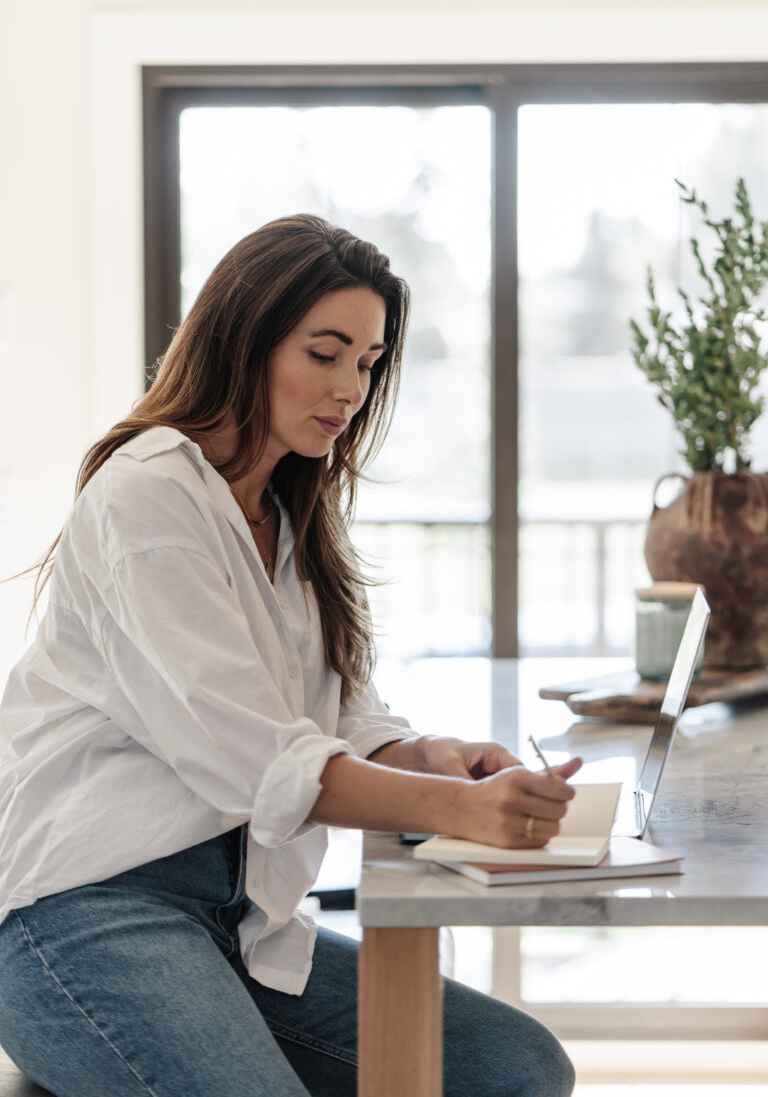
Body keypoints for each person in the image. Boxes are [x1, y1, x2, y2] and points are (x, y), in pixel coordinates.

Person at [0, 215, 580, 1097]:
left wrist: (433, 762)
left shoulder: (288, 514)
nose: (350, 386)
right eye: (326, 351)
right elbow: (254, 756)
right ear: (246, 337)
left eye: (368, 361)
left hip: (237, 922)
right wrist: (459, 813)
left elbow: (341, 716)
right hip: (83, 910)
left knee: (518, 1067)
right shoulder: (148, 496)